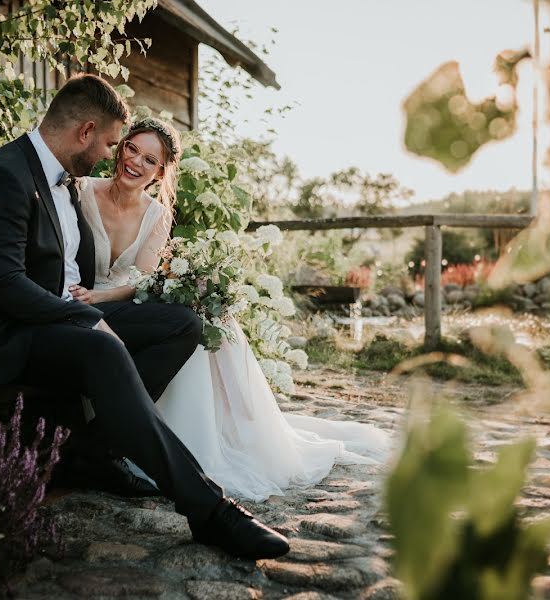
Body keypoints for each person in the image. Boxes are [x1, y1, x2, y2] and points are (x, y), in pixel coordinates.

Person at [0, 74, 289, 560]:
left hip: (51, 317)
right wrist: (80, 318)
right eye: (109, 143)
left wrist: (88, 310)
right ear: (85, 132)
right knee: (101, 345)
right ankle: (209, 509)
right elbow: (3, 286)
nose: (111, 155)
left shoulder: (59, 181)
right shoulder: (5, 175)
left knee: (181, 324)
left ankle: (91, 448)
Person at [70, 117, 392, 502]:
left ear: (160, 173)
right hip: (75, 301)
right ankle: (100, 443)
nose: (135, 162)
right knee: (177, 329)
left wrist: (100, 297)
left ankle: (125, 441)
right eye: (132, 149)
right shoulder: (82, 191)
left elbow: (140, 281)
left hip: (112, 302)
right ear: (120, 149)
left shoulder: (157, 215)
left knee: (193, 335)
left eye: (150, 160)